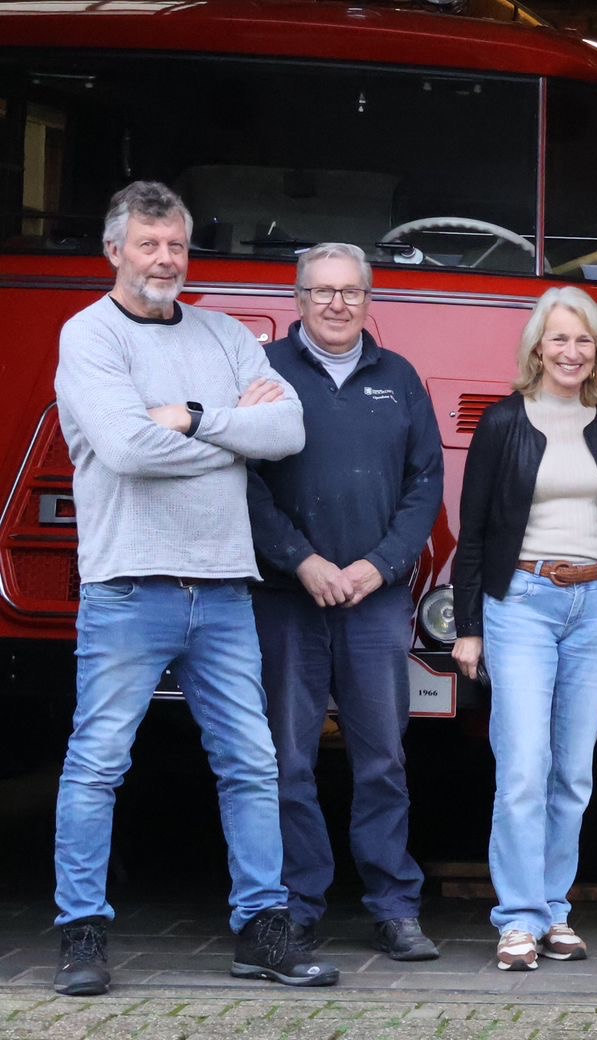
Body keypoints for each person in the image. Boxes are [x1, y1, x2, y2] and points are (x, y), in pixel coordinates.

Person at [51, 180, 334, 994]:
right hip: (127, 587)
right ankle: (81, 932)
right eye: (148, 244)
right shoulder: (89, 337)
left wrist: (191, 415)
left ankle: (261, 930)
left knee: (252, 764)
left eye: (175, 244)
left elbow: (289, 430)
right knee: (97, 765)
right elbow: (129, 449)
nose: (165, 259)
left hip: (223, 590)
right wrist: (229, 436)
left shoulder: (221, 333)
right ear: (114, 252)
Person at [246, 242, 443, 961]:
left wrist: (377, 565)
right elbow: (245, 485)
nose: (336, 304)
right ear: (296, 299)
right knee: (286, 761)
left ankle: (393, 905)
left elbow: (426, 484)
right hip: (288, 600)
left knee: (383, 760)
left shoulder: (400, 378)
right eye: (322, 291)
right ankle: (297, 904)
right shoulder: (263, 373)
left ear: (369, 299)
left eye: (350, 292)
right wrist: (302, 561)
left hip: (374, 602)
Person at [451, 286, 597, 971]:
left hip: (596, 606)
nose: (570, 351)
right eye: (558, 338)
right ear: (537, 347)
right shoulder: (504, 422)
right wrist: (469, 624)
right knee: (524, 766)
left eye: (583, 339)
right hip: (522, 602)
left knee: (573, 772)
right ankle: (518, 919)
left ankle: (555, 910)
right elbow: (472, 532)